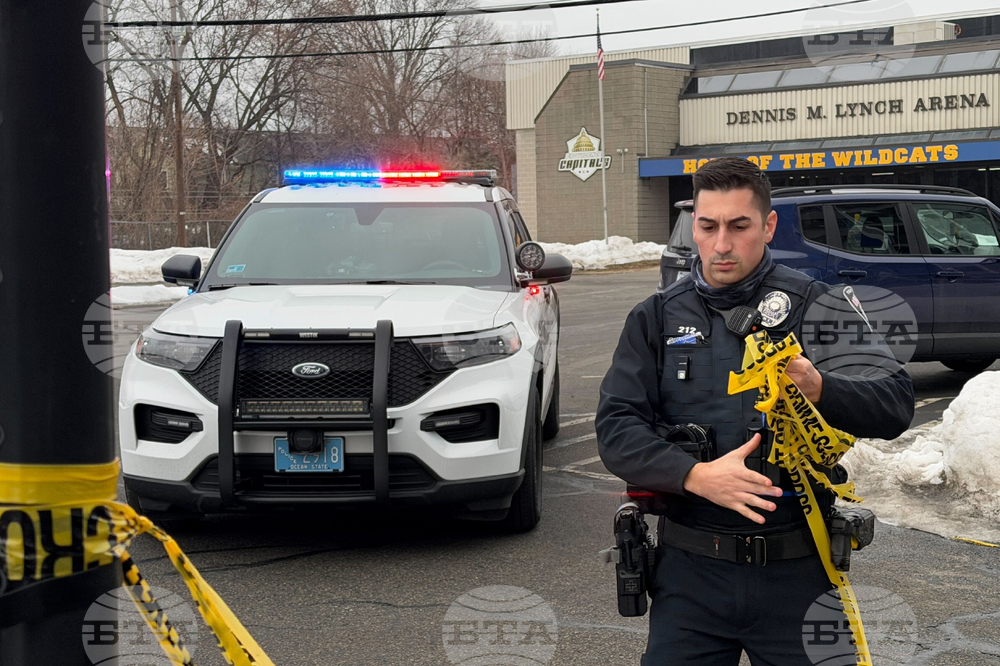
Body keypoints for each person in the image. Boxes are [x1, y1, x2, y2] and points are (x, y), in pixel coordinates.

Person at [596, 157, 915, 666]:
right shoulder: (654, 318)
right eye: (708, 226)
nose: (722, 244)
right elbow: (616, 429)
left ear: (767, 226)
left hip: (798, 571)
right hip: (689, 577)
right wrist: (694, 475)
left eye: (739, 226)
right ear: (693, 229)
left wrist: (821, 388)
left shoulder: (816, 305)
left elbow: (896, 402)